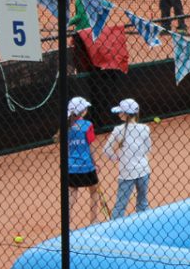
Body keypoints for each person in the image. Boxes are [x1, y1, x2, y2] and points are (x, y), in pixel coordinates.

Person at [103, 98, 152, 220]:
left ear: (125, 114)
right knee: (143, 203)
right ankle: (144, 225)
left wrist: (117, 158)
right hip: (144, 170)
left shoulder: (118, 130)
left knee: (120, 205)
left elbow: (106, 150)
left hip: (127, 172)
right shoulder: (145, 128)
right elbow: (148, 149)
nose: (119, 113)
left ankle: (113, 229)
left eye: (121, 111)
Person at [57, 96, 101, 226]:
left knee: (72, 193)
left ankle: (67, 223)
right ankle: (93, 220)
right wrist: (95, 162)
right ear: (83, 111)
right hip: (87, 165)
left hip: (71, 166)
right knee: (93, 191)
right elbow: (91, 146)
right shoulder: (88, 125)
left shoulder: (66, 127)